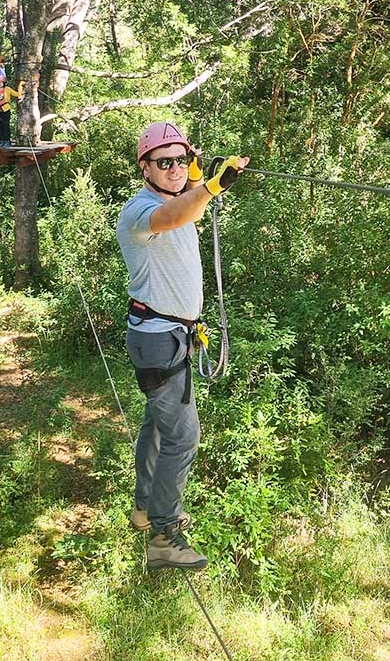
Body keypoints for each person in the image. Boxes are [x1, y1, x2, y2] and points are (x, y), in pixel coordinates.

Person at [116, 121, 248, 571]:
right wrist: (211, 185)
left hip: (171, 336)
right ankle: (164, 536)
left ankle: (144, 508)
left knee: (157, 425)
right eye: (164, 162)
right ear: (145, 168)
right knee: (183, 436)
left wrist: (198, 176)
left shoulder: (180, 196)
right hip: (158, 339)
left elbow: (188, 200)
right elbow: (176, 215)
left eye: (180, 160)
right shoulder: (140, 212)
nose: (173, 169)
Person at [0, 75, 24, 146]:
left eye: (1, 82)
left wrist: (20, 86)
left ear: (4, 83)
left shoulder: (8, 89)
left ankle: (7, 141)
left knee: (6, 126)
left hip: (5, 110)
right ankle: (2, 141)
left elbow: (18, 94)